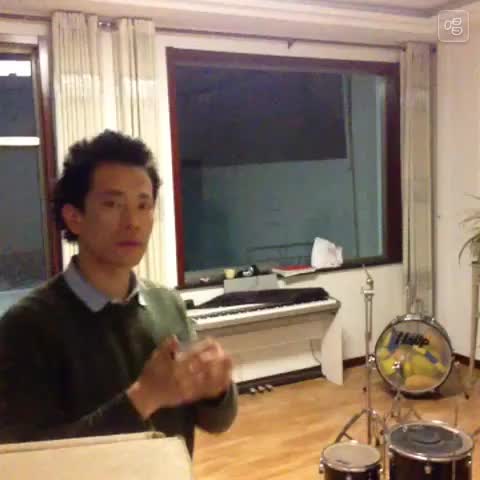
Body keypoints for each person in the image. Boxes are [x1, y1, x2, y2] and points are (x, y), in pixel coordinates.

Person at [0, 130, 237, 454]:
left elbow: (217, 422)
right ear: (74, 217)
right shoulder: (27, 326)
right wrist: (144, 397)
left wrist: (216, 391)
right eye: (112, 204)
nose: (133, 222)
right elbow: (26, 461)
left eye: (143, 205)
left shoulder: (167, 304)